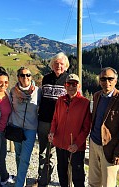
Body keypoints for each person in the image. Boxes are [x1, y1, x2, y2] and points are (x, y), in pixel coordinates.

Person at [88, 67, 119, 187]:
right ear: (99, 81)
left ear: (115, 81)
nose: (106, 82)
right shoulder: (97, 95)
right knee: (93, 182)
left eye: (110, 79)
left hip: (110, 148)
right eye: (103, 79)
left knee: (108, 184)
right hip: (94, 144)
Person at [48, 73, 91, 187]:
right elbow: (55, 119)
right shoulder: (60, 100)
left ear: (79, 86)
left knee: (78, 176)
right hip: (60, 144)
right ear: (65, 86)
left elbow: (86, 127)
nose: (71, 87)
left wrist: (77, 144)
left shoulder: (85, 103)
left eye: (74, 84)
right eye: (69, 84)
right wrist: (52, 132)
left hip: (75, 146)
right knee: (62, 173)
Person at [36, 52, 70, 186]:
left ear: (66, 66)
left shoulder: (69, 80)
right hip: (44, 121)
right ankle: (43, 179)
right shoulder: (46, 79)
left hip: (61, 123)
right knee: (43, 152)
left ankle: (65, 181)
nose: (58, 66)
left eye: (61, 64)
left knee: (61, 153)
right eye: (56, 63)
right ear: (52, 65)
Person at [9, 67, 41, 187]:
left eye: (28, 75)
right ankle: (21, 179)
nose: (25, 78)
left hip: (30, 129)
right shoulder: (13, 91)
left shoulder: (38, 92)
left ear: (31, 77)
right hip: (16, 128)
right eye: (22, 75)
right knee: (18, 156)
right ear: (18, 77)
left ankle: (19, 184)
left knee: (25, 158)